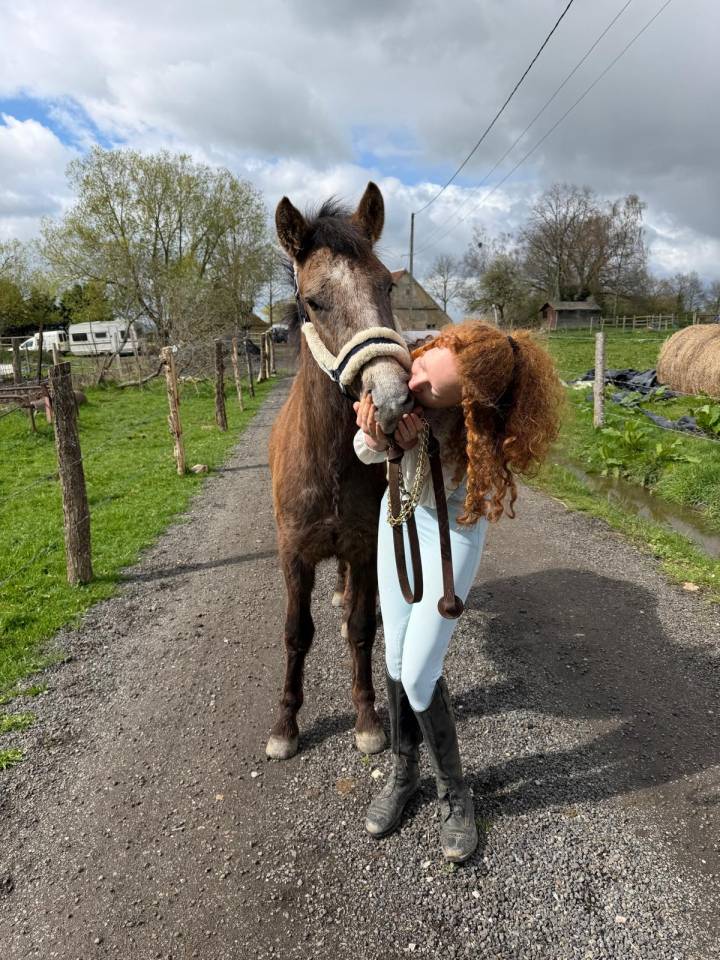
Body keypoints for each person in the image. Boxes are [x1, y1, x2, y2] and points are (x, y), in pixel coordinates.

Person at [353, 320, 563, 862]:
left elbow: (459, 478)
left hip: (452, 531)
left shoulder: (484, 431)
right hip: (397, 516)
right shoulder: (406, 371)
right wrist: (377, 438)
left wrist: (422, 440)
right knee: (395, 658)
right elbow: (364, 451)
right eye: (421, 365)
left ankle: (454, 790)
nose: (413, 382)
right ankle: (404, 774)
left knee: (422, 667)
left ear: (466, 403)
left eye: (428, 386)